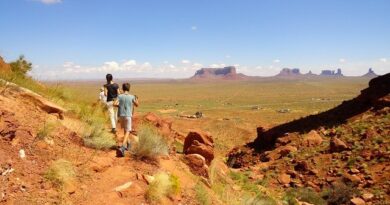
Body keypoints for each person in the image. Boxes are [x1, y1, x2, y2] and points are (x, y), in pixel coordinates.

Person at [116, 83, 139, 157]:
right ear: (129, 89)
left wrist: (120, 106)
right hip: (128, 115)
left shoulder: (119, 96)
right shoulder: (132, 97)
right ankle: (122, 147)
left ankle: (128, 145)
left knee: (125, 130)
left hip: (121, 115)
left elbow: (114, 103)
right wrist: (136, 99)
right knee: (128, 131)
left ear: (123, 88)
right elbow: (137, 105)